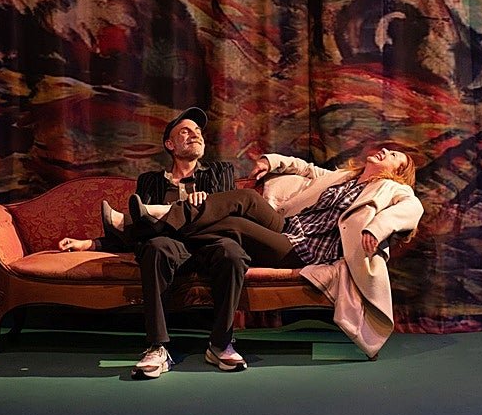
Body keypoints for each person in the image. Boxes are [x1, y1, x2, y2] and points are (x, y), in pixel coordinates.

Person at [108, 147, 424, 359]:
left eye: (394, 155)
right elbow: (306, 168)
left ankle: (140, 228)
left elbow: (412, 209)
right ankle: (150, 226)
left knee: (235, 225)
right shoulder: (344, 176)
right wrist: (271, 162)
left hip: (302, 249)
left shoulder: (394, 190)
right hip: (287, 227)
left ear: (399, 171)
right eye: (386, 149)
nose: (385, 151)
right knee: (245, 198)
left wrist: (376, 228)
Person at [58, 107, 248, 379]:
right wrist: (91, 244)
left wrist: (206, 203)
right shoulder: (150, 181)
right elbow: (141, 230)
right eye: (185, 131)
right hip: (170, 246)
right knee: (154, 246)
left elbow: (229, 215)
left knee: (233, 253)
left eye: (198, 131)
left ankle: (220, 344)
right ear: (170, 144)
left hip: (211, 243)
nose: (195, 135)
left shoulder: (220, 172)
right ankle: (158, 347)